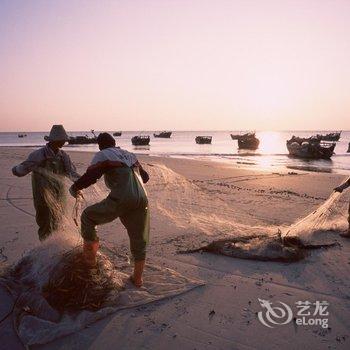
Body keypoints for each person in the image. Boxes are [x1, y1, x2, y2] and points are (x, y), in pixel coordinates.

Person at [69, 133, 150, 287]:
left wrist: (75, 187)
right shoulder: (129, 154)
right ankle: (137, 279)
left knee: (88, 217)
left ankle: (90, 265)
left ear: (100, 145)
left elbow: (91, 176)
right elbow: (145, 178)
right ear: (114, 143)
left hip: (122, 197)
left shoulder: (103, 155)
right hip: (141, 198)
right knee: (138, 238)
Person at [12, 125, 80, 240]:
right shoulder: (38, 155)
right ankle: (46, 246)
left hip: (59, 192)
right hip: (42, 193)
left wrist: (84, 181)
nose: (64, 142)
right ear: (55, 140)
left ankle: (57, 244)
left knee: (59, 218)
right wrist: (16, 170)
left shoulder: (63, 156)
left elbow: (71, 173)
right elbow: (22, 169)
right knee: (44, 220)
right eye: (62, 140)